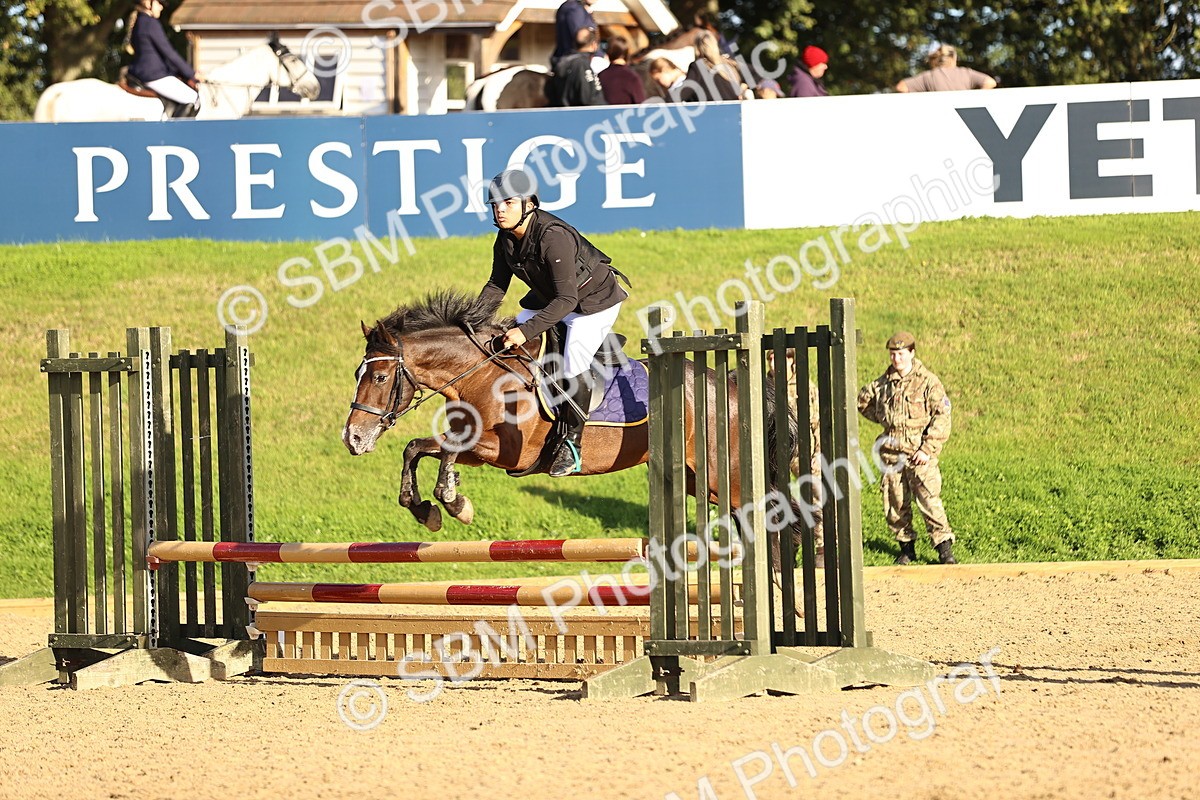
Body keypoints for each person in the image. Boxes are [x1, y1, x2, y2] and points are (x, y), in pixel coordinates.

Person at [479, 169, 629, 477]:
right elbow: (496, 284)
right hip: (555, 300)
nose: (500, 209)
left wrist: (526, 331)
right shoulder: (505, 239)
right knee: (505, 339)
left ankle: (572, 445)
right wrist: (473, 321)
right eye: (495, 204)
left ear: (529, 204)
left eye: (508, 202)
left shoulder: (553, 236)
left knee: (574, 362)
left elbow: (567, 301)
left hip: (593, 304)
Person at [857, 332, 956, 565]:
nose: (896, 358)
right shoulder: (882, 384)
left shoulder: (928, 382)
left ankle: (944, 549)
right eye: (893, 354)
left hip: (919, 454)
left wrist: (928, 448)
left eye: (901, 354)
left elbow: (943, 416)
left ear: (912, 353)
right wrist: (885, 421)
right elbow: (862, 403)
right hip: (892, 454)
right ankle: (906, 548)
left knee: (929, 499)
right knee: (895, 503)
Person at [127, 0, 203, 117]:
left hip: (143, 73)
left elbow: (161, 56)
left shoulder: (139, 22)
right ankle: (175, 134)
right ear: (148, 3)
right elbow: (169, 53)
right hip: (153, 75)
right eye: (159, 3)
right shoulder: (150, 23)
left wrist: (181, 75)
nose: (161, 7)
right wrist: (191, 74)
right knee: (193, 98)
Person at [896, 44, 996, 92]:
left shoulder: (929, 76)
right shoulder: (966, 73)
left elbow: (901, 87)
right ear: (954, 58)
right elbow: (990, 82)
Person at [547, 28, 606, 107]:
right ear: (594, 45)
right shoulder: (582, 64)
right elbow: (585, 98)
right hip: (589, 116)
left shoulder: (565, 61)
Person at [684, 31, 744, 101]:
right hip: (735, 110)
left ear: (697, 49)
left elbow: (682, 93)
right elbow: (756, 74)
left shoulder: (698, 67)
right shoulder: (730, 64)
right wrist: (743, 87)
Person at [598, 36, 645, 105]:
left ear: (608, 53)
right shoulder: (632, 77)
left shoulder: (601, 76)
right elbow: (640, 105)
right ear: (626, 54)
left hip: (605, 115)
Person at [552, 0, 596, 69]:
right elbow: (581, 39)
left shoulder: (576, 7)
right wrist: (600, 55)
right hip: (574, 61)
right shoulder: (575, 9)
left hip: (567, 59)